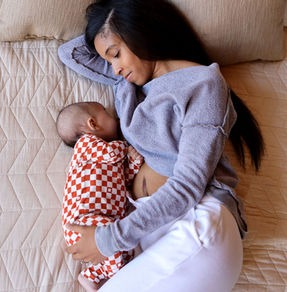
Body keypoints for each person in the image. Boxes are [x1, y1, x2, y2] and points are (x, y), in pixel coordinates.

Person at [57, 0, 265, 291]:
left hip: (197, 225)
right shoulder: (128, 86)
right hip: (155, 232)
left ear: (141, 32)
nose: (114, 69)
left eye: (116, 54)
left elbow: (188, 186)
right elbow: (71, 53)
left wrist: (109, 239)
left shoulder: (203, 85)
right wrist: (107, 26)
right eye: (109, 60)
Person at [56, 101, 143, 291]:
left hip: (104, 218)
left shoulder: (105, 158)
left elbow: (122, 182)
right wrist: (126, 147)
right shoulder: (86, 144)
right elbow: (111, 154)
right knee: (120, 247)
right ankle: (90, 276)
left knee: (125, 253)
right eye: (106, 113)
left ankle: (99, 274)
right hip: (84, 221)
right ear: (93, 124)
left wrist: (134, 164)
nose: (114, 117)